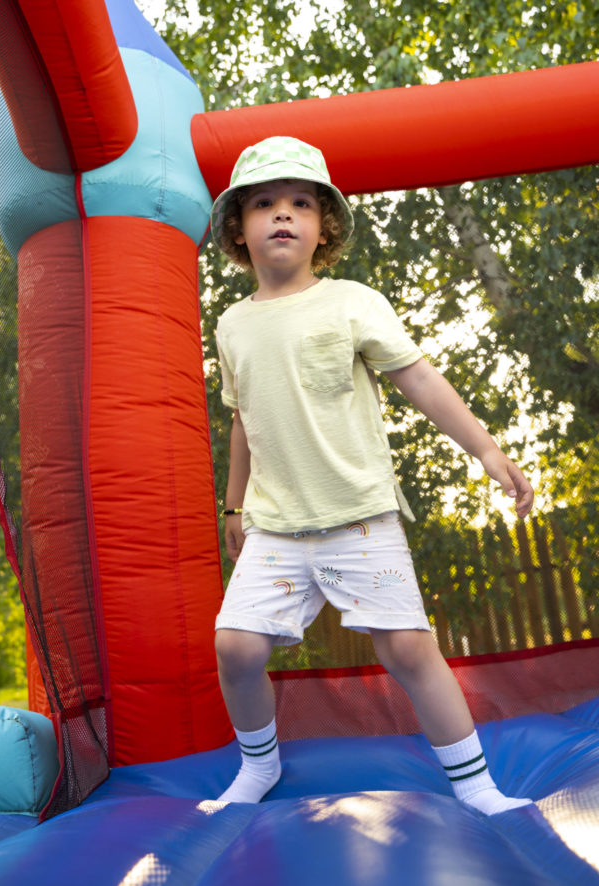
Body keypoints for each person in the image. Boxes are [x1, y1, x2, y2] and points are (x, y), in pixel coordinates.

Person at [210, 135, 534, 814]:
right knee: (236, 647)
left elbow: (418, 378)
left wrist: (485, 449)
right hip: (276, 527)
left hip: (358, 517)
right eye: (264, 203)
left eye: (300, 203)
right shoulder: (233, 324)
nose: (282, 215)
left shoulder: (352, 302)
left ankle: (478, 788)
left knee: (410, 651)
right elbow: (242, 420)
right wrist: (233, 508)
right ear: (239, 228)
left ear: (322, 225)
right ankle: (257, 766)